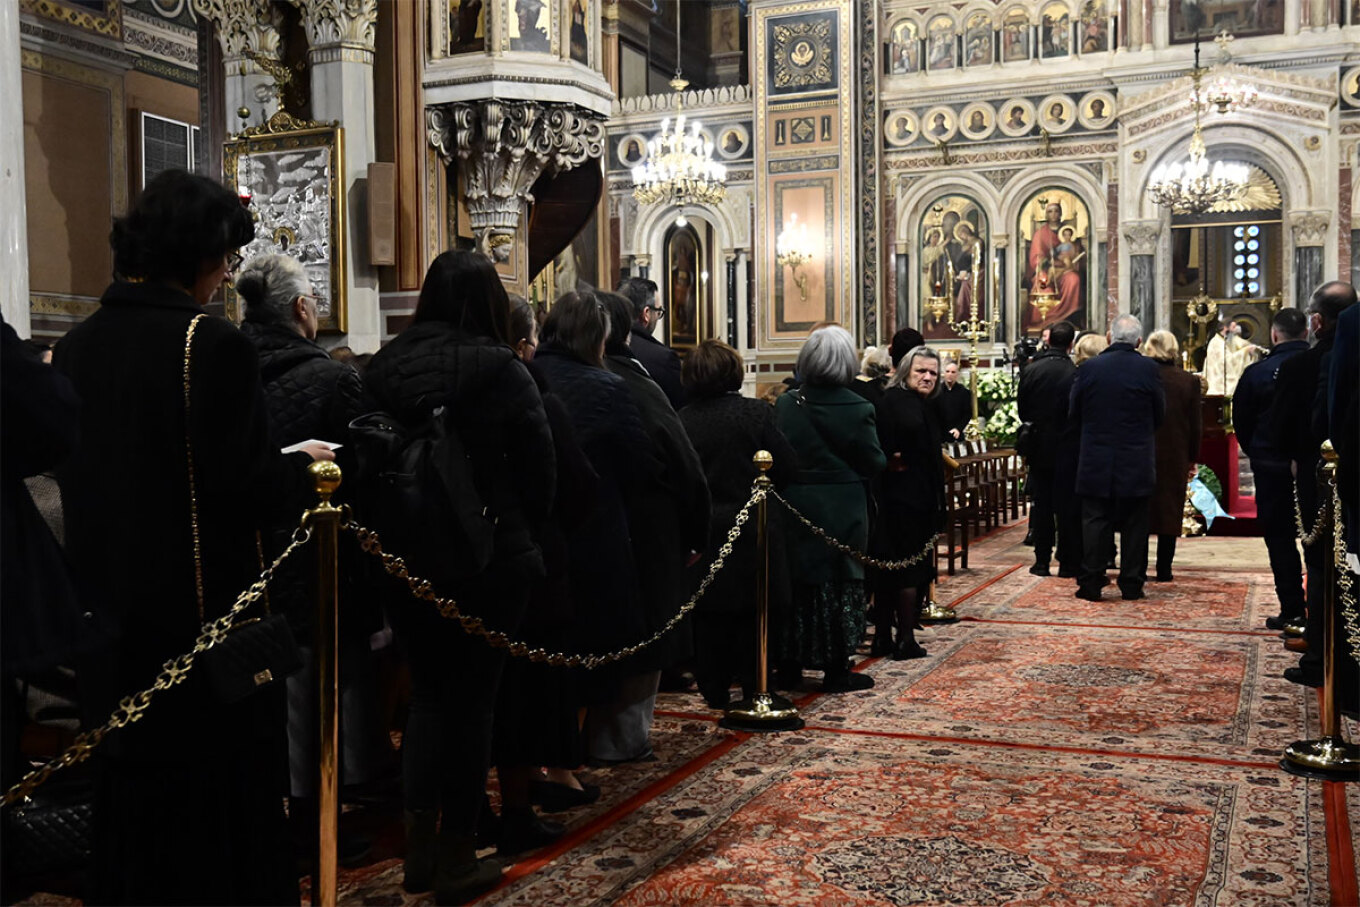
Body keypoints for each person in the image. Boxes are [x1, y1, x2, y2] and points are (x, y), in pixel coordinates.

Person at [54, 169, 333, 905]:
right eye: (226, 258)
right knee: (217, 825)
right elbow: (242, 487)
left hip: (110, 627)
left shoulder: (77, 346)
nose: (226, 275)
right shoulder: (211, 346)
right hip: (202, 630)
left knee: (135, 815)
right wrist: (311, 470)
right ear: (200, 255)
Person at [364, 250, 556, 901]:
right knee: (474, 706)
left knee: (426, 700)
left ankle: (420, 851)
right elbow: (540, 467)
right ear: (492, 303)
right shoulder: (501, 367)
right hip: (490, 561)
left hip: (407, 559)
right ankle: (456, 852)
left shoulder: (384, 366)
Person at [235, 253, 385, 861]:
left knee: (268, 689)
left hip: (245, 556)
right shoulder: (331, 378)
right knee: (322, 691)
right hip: (317, 553)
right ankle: (320, 817)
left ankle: (273, 812)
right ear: (302, 309)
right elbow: (366, 468)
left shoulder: (226, 366)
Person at [532, 292, 657, 761]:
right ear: (597, 339)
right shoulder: (606, 386)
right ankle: (574, 752)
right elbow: (639, 462)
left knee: (544, 653)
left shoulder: (529, 375)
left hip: (537, 531)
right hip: (595, 532)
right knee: (590, 648)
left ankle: (546, 754)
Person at [495, 296, 602, 816]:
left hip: (481, 555)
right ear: (522, 346)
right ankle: (555, 774)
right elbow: (575, 482)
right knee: (547, 670)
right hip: (539, 552)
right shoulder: (538, 397)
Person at [593, 292, 710, 760]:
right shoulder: (638, 377)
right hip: (643, 527)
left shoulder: (546, 372)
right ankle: (622, 740)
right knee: (641, 632)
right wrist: (696, 531)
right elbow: (682, 462)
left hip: (583, 530)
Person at [679, 340, 797, 707]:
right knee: (756, 611)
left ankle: (713, 688)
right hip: (753, 526)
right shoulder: (755, 414)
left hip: (704, 527)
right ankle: (756, 685)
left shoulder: (682, 418)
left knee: (709, 613)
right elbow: (788, 466)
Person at [774, 326, 886, 691]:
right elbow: (874, 462)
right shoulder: (859, 407)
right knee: (840, 586)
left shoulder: (788, 402)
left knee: (799, 585)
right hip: (843, 508)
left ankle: (789, 665)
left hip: (796, 504)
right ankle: (837, 669)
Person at [1267, 285, 1357, 685]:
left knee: (1321, 565)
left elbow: (1286, 429)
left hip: (1318, 478)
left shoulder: (1303, 365)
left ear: (1317, 321)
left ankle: (1322, 658)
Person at [1069, 314, 1164, 601]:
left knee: (1095, 520)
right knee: (1135, 523)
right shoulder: (1149, 368)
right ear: (1138, 340)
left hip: (1096, 457)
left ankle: (1092, 582)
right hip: (1136, 458)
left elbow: (1074, 412)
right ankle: (1132, 584)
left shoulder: (1090, 367)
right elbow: (1159, 413)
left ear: (1109, 338)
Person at [1233, 308, 1310, 636]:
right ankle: (1323, 612)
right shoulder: (1325, 364)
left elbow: (1242, 421)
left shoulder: (1258, 372)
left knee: (1280, 540)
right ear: (1307, 332)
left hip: (1271, 467)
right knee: (1321, 542)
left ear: (1274, 335)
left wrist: (1260, 453)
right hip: (1318, 468)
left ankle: (1292, 610)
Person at [869, 345, 946, 659]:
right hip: (906, 499)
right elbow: (910, 441)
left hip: (902, 495)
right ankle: (904, 638)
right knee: (908, 568)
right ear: (905, 372)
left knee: (891, 568)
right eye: (921, 372)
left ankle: (884, 637)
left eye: (932, 373)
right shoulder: (903, 403)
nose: (927, 377)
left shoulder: (909, 401)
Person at [1018, 320, 1077, 576]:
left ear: (1049, 340)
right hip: (1068, 446)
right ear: (1071, 344)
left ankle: (1041, 561)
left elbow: (1022, 410)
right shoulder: (1075, 371)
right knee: (1067, 506)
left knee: (1041, 504)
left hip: (1039, 445)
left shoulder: (1032, 370)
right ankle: (1066, 562)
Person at [1141, 331, 1201, 582]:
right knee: (1169, 509)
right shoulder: (1187, 381)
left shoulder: (1140, 376)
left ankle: (1137, 566)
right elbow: (1195, 424)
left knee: (1141, 510)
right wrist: (1192, 457)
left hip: (1141, 449)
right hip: (1174, 451)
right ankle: (1164, 568)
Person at [617, 276, 685, 409]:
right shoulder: (664, 359)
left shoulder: (600, 348)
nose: (658, 316)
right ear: (646, 314)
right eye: (659, 312)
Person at [1024, 201, 1082, 331]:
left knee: (1074, 279)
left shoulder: (1067, 232)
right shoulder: (1040, 233)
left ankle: (1067, 317)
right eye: (1050, 211)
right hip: (1046, 268)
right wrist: (1048, 262)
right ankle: (1043, 321)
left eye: (1056, 211)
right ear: (1046, 214)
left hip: (1065, 268)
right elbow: (1036, 257)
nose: (1053, 214)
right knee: (1043, 285)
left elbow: (1075, 252)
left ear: (1061, 213)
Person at [1203, 316, 1260, 396]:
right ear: (1225, 328)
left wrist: (1249, 349)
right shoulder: (1216, 343)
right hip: (1219, 382)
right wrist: (1245, 351)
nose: (1235, 330)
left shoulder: (1227, 340)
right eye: (1233, 327)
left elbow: (1242, 344)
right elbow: (1226, 362)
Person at [937, 357, 973, 439]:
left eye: (953, 372)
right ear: (944, 373)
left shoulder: (964, 392)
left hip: (956, 433)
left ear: (957, 374)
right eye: (947, 371)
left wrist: (958, 429)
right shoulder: (936, 391)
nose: (950, 374)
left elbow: (967, 414)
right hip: (939, 433)